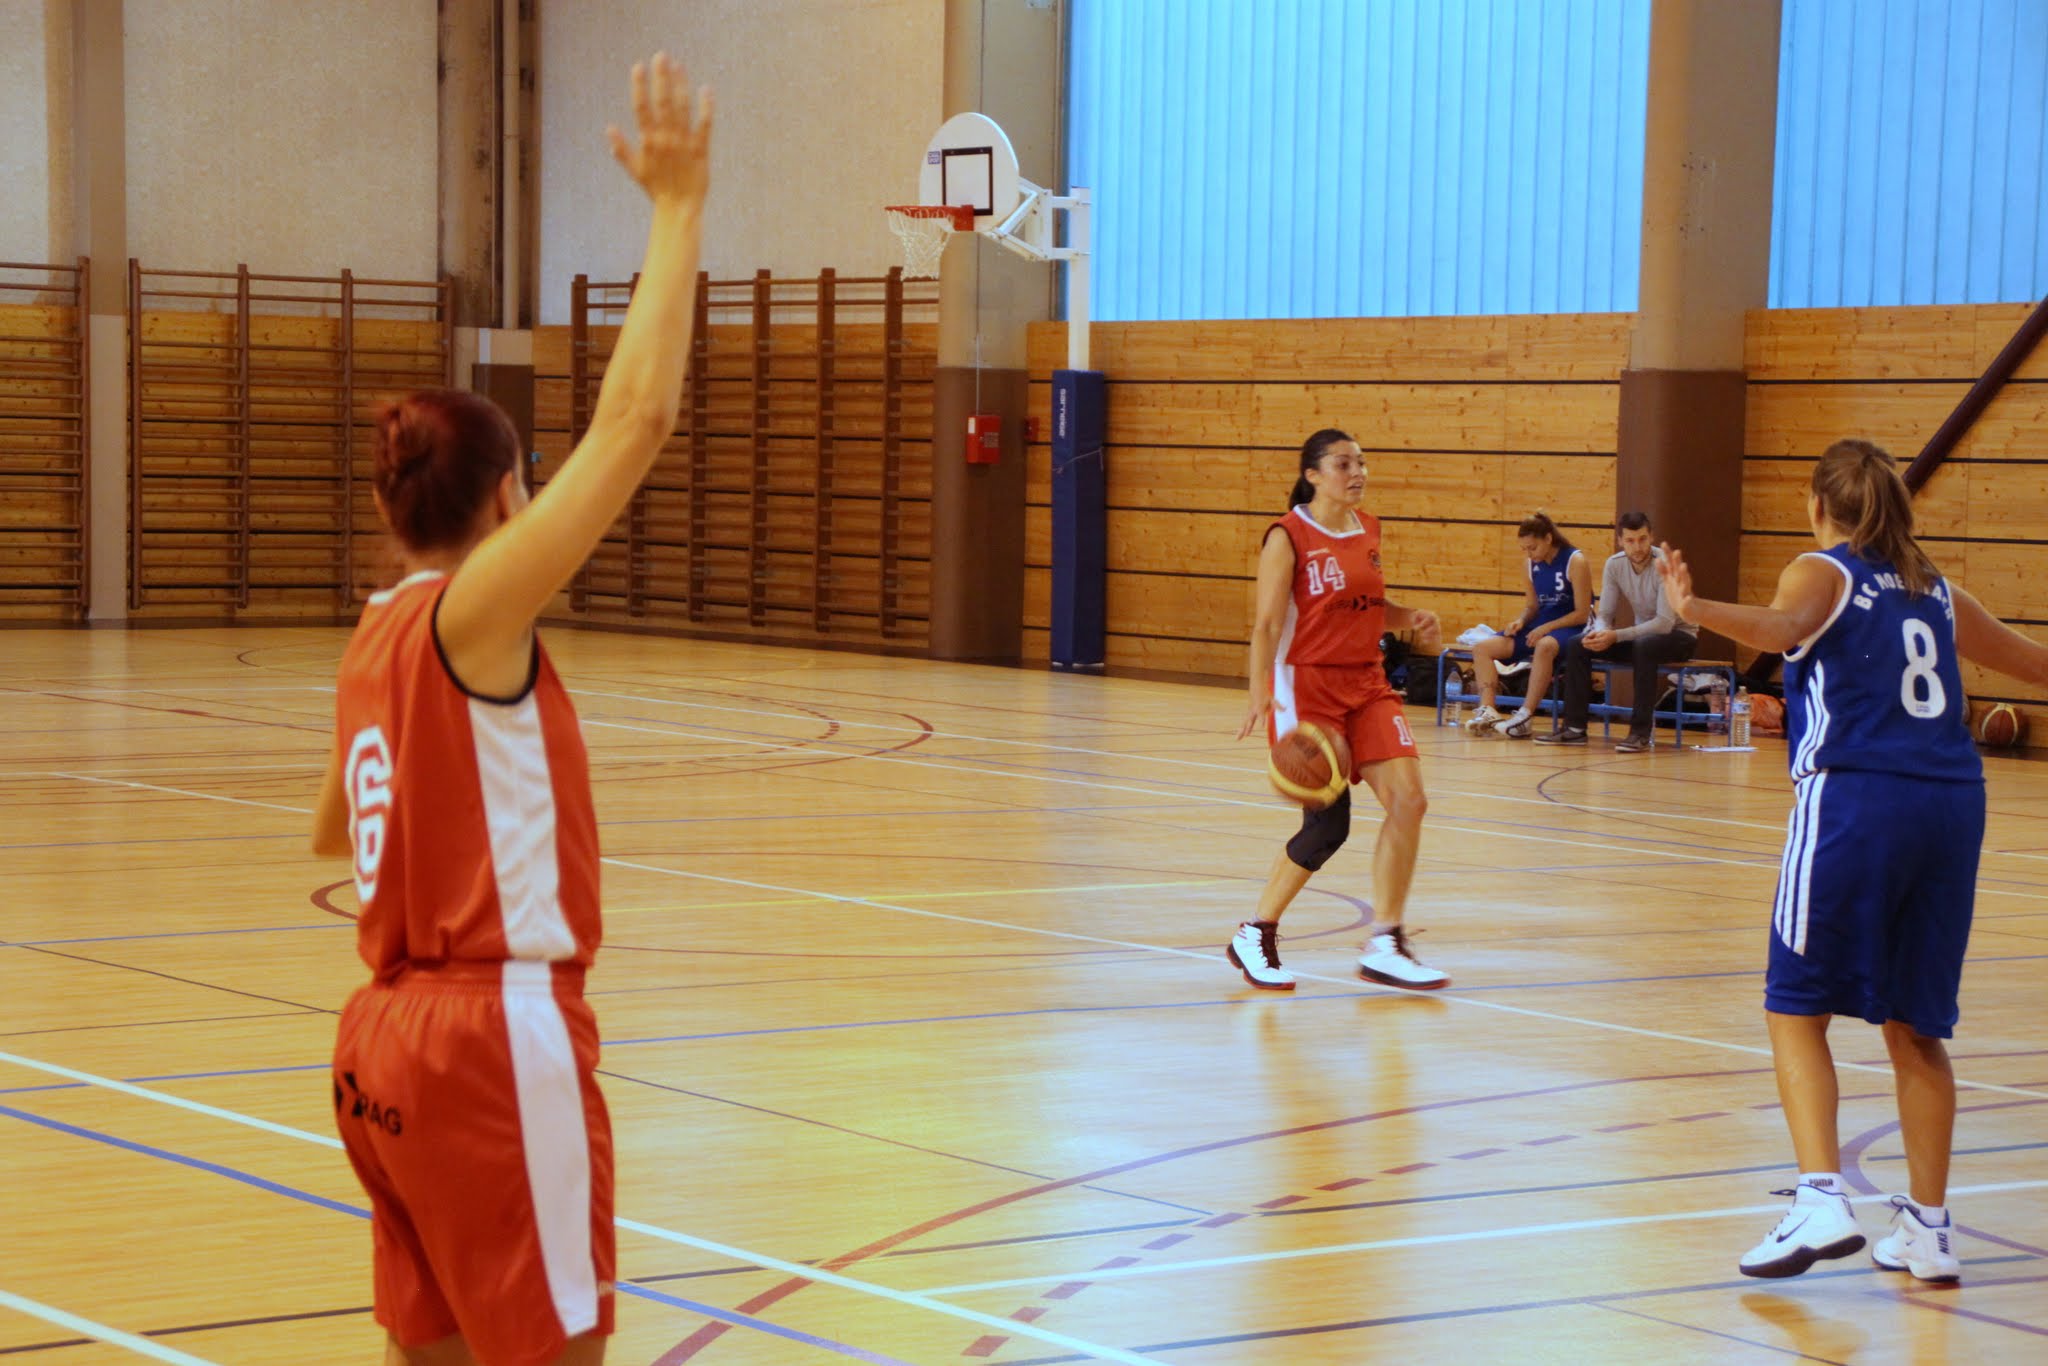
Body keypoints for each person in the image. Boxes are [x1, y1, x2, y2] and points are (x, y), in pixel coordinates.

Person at [310, 55, 711, 1365]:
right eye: (530, 488)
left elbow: (338, 828)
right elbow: (637, 418)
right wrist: (677, 208)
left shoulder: (373, 638)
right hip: (490, 1039)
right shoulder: (470, 616)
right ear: (503, 500)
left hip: (380, 1041)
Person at [1660, 439, 2048, 1284]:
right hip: (1952, 809)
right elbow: (2037, 665)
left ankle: (1819, 1197)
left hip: (1857, 800)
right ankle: (1929, 1232)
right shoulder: (1938, 592)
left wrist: (1695, 606)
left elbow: (1781, 630)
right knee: (1916, 1026)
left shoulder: (1820, 571)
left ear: (1817, 506)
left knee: (1794, 1005)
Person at [1229, 429, 1449, 992]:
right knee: (1329, 825)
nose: (1358, 473)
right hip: (1306, 687)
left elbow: (1366, 605)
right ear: (1313, 474)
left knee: (1410, 801)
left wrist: (1410, 616)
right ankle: (1256, 932)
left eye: (1362, 463)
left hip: (1367, 682)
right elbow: (1267, 625)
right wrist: (1258, 692)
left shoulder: (1368, 528)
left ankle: (1385, 942)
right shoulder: (1288, 535)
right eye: (1344, 464)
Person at [1535, 511, 1698, 752]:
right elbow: (1605, 614)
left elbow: (1663, 624)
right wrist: (1601, 633)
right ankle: (1574, 728)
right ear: (1620, 540)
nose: (1637, 547)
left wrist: (1616, 636)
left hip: (1679, 636)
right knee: (1578, 643)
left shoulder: (1664, 565)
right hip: (1644, 636)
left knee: (1645, 646)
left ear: (1651, 537)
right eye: (1630, 541)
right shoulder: (1614, 564)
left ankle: (1639, 733)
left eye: (1642, 539)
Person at [1463, 511, 1591, 738]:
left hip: (1572, 627)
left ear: (1548, 538)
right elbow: (1532, 607)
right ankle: (1488, 710)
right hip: (1540, 626)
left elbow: (1582, 613)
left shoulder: (1575, 560)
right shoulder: (1530, 565)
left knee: (1544, 646)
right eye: (1525, 549)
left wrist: (1547, 628)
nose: (1529, 554)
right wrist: (1520, 621)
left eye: (1533, 548)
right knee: (1482, 648)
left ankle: (1525, 715)